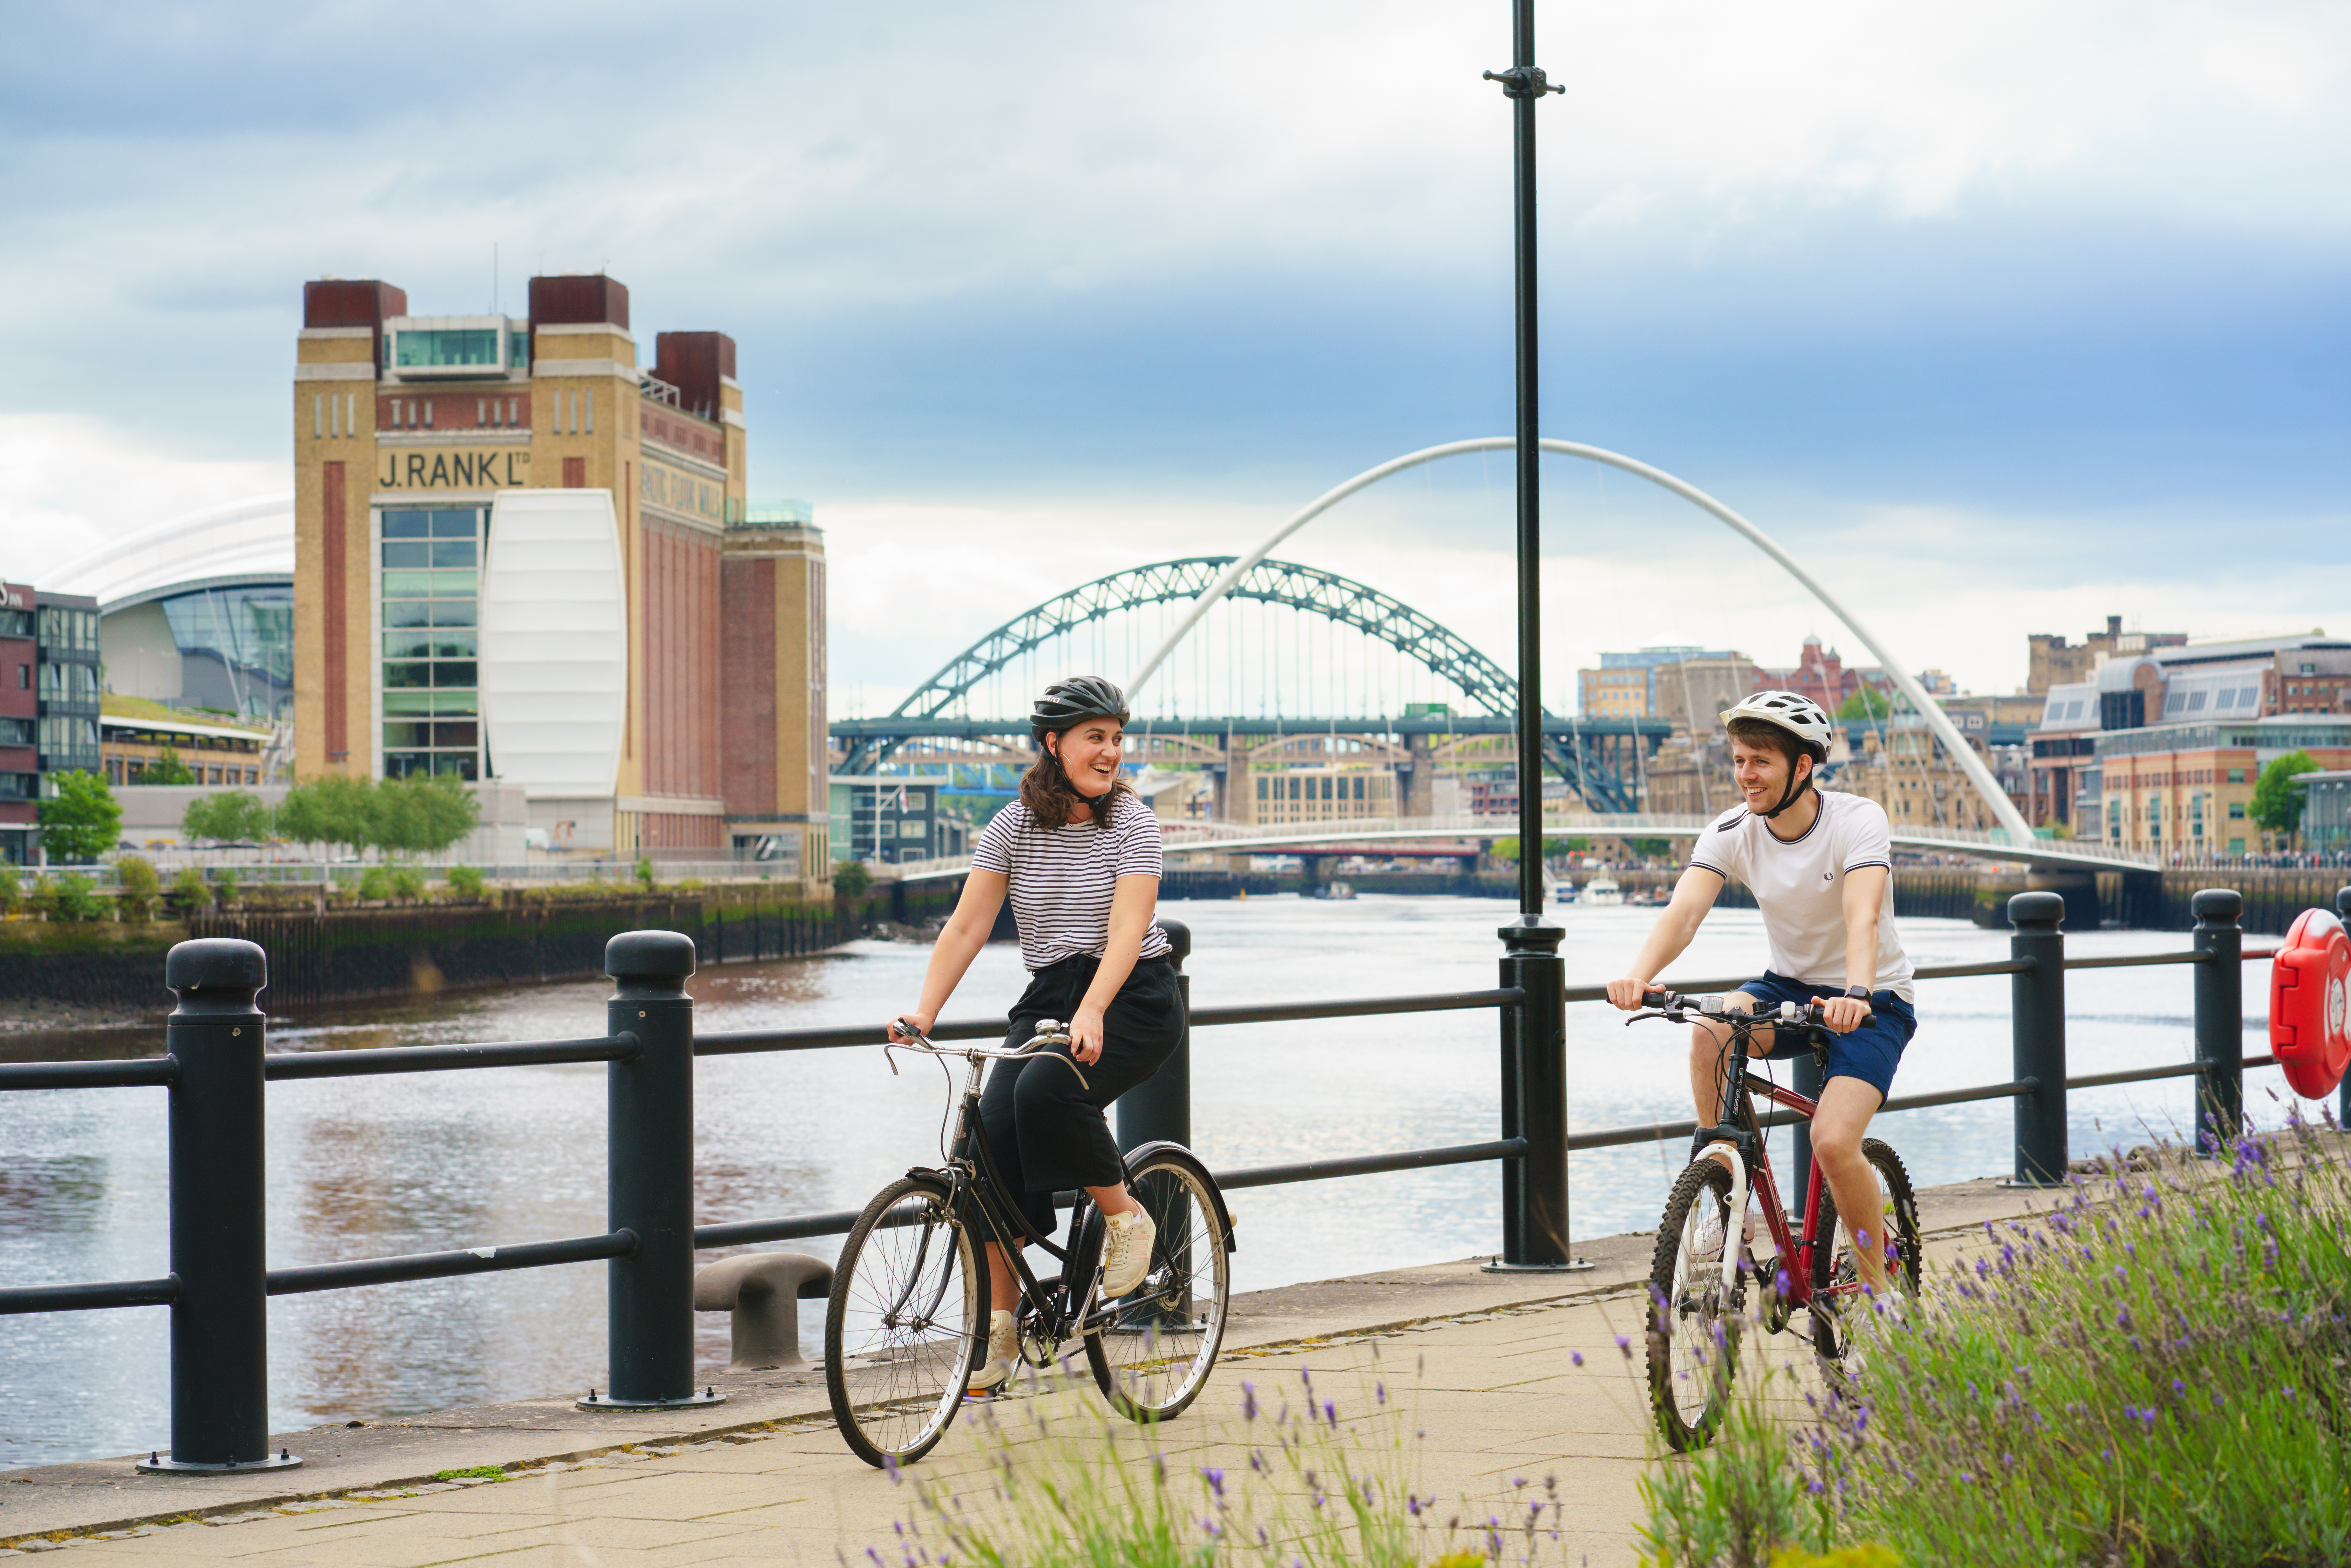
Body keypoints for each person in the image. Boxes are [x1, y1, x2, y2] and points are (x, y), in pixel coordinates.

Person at [885, 675, 1184, 1393]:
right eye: (1095, 737)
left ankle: (1127, 1219)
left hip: (1133, 995)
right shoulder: (1012, 825)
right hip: (1051, 993)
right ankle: (1000, 1326)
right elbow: (967, 925)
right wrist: (924, 1012)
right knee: (984, 1146)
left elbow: (1127, 928)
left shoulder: (1133, 823)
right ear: (1053, 743)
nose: (1110, 751)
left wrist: (1094, 1008)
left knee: (1048, 1087)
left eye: (1117, 738)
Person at [1605, 690, 1917, 1296]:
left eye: (1760, 761)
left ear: (1802, 767)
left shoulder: (1858, 820)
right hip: (1788, 985)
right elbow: (1683, 913)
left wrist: (1857, 991)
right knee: (1711, 1028)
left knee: (1832, 1140)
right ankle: (1732, 1203)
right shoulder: (1731, 831)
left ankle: (1879, 1294)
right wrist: (1639, 975)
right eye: (1739, 760)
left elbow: (1861, 914)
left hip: (1872, 999)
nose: (1745, 774)